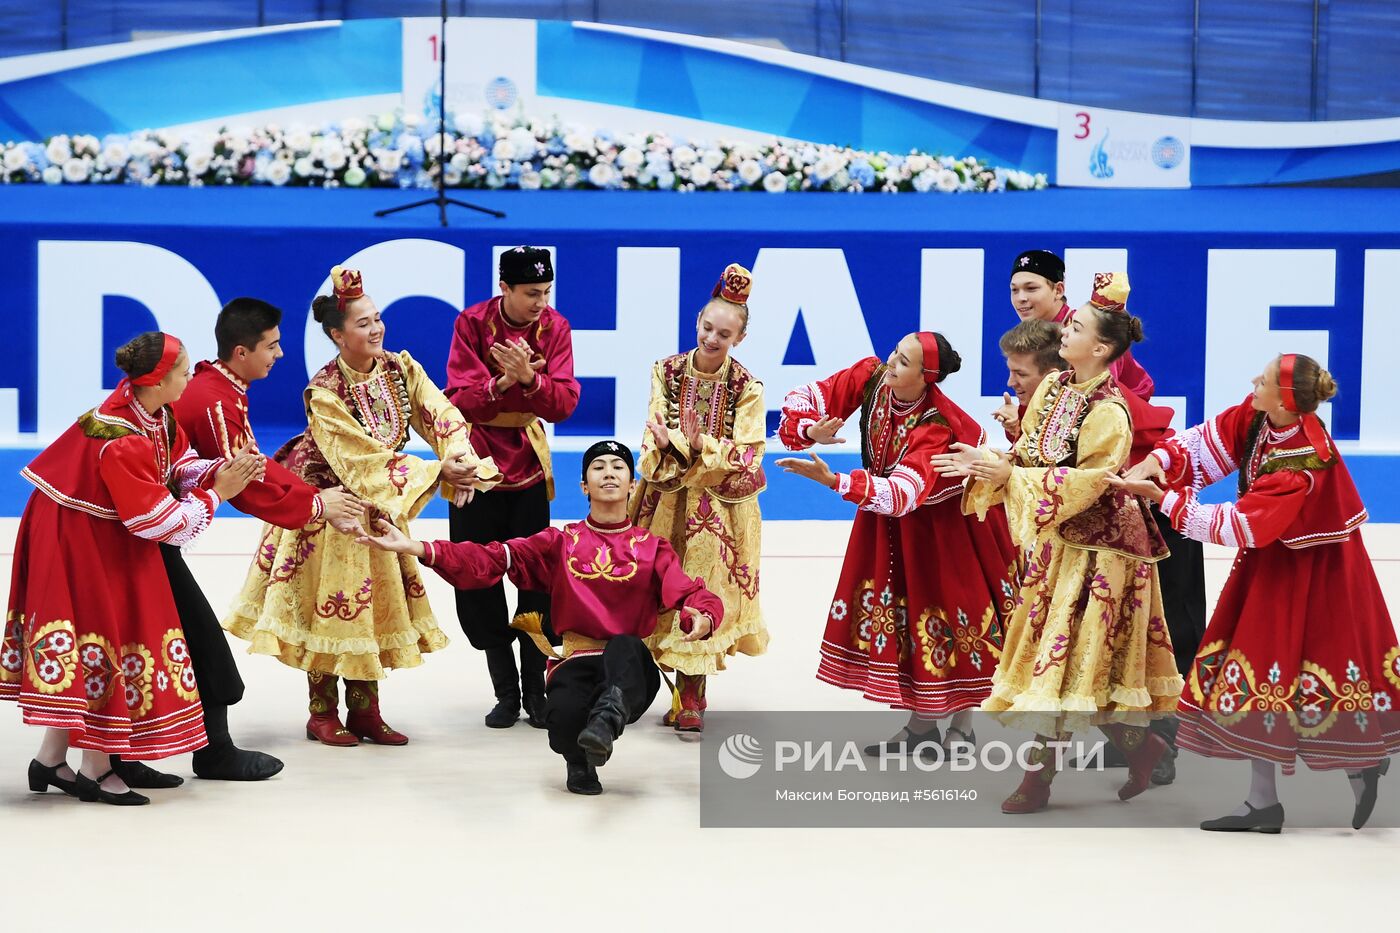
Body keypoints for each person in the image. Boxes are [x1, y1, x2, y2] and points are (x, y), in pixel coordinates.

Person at [1115, 354, 1400, 832]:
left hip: (1316, 576)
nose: (1253, 382)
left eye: (1264, 380)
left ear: (1287, 399)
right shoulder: (1258, 416)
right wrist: (1157, 460)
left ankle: (1357, 764)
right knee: (1262, 670)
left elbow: (1241, 524)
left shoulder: (1304, 461)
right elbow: (1206, 442)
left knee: (1304, 667)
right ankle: (1264, 801)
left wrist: (1161, 498)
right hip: (1272, 565)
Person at [935, 273, 1182, 814]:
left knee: (1066, 663)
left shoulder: (1110, 412)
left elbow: (1090, 484)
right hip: (1060, 544)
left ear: (1100, 348)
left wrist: (1009, 477)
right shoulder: (1052, 388)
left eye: (1074, 327)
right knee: (1075, 664)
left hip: (1105, 552)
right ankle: (1143, 749)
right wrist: (995, 467)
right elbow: (1030, 455)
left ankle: (1037, 779)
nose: (1063, 331)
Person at [224, 267, 499, 747]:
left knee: (369, 613)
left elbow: (441, 414)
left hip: (378, 506)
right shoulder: (325, 391)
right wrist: (436, 473)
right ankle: (322, 711)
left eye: (378, 319)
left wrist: (458, 456)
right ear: (337, 334)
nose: (377, 329)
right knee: (328, 611)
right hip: (329, 510)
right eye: (364, 323)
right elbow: (359, 462)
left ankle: (367, 710)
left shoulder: (400, 369)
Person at [358, 441, 723, 795]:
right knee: (562, 720)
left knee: (626, 650)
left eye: (618, 468)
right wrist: (417, 547)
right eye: (598, 468)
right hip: (577, 659)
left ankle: (607, 718)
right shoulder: (559, 542)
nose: (608, 474)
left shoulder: (651, 547)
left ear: (632, 485)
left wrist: (703, 616)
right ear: (584, 486)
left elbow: (690, 592)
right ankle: (579, 761)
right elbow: (490, 557)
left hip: (629, 670)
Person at [2, 332, 260, 805]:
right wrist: (217, 493)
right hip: (76, 537)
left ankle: (51, 759)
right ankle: (96, 770)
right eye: (184, 373)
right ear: (158, 380)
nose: (190, 380)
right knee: (103, 636)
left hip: (97, 526)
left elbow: (176, 463)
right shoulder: (120, 439)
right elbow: (159, 522)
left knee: (97, 638)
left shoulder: (151, 414)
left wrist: (212, 472)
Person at [776, 332, 1020, 755]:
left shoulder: (936, 426)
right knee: (908, 616)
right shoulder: (873, 376)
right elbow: (806, 395)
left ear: (926, 377)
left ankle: (961, 726)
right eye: (894, 352)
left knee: (951, 618)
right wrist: (811, 428)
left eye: (903, 361)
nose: (890, 362)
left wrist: (836, 481)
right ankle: (923, 728)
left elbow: (903, 495)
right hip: (894, 522)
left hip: (949, 527)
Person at [164, 297, 369, 781]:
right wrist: (317, 505)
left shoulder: (222, 388)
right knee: (201, 644)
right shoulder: (215, 399)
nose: (279, 354)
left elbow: (252, 464)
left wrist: (312, 496)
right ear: (241, 352)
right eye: (272, 346)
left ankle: (116, 758)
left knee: (176, 640)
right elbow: (246, 483)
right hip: (147, 535)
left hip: (154, 530)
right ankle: (210, 754)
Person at [445, 246, 580, 729]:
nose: (540, 302)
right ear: (504, 288)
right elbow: (460, 401)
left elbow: (564, 404)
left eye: (546, 292)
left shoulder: (555, 328)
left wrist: (531, 381)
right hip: (474, 471)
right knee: (477, 581)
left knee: (536, 583)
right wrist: (506, 384)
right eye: (530, 293)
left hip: (527, 473)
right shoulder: (472, 324)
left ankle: (537, 692)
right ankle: (504, 692)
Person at [630, 263, 768, 732]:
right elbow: (653, 429)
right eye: (708, 328)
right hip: (667, 495)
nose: (712, 338)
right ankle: (637, 683)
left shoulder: (747, 387)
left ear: (739, 339)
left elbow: (747, 454)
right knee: (653, 584)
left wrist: (694, 444)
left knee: (703, 585)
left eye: (724, 334)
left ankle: (692, 693)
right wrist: (670, 447)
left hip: (719, 506)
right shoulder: (665, 371)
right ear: (697, 323)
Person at [1009, 249, 1154, 400]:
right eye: (1014, 290)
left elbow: (1103, 399)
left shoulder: (1090, 330)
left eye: (1031, 288)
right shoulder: (1031, 335)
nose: (1021, 298)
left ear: (1058, 290)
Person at [991, 318, 1063, 444]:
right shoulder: (1026, 410)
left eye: (1021, 374)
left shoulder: (1075, 423)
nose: (1010, 383)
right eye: (1010, 371)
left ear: (1052, 378)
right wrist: (1018, 427)